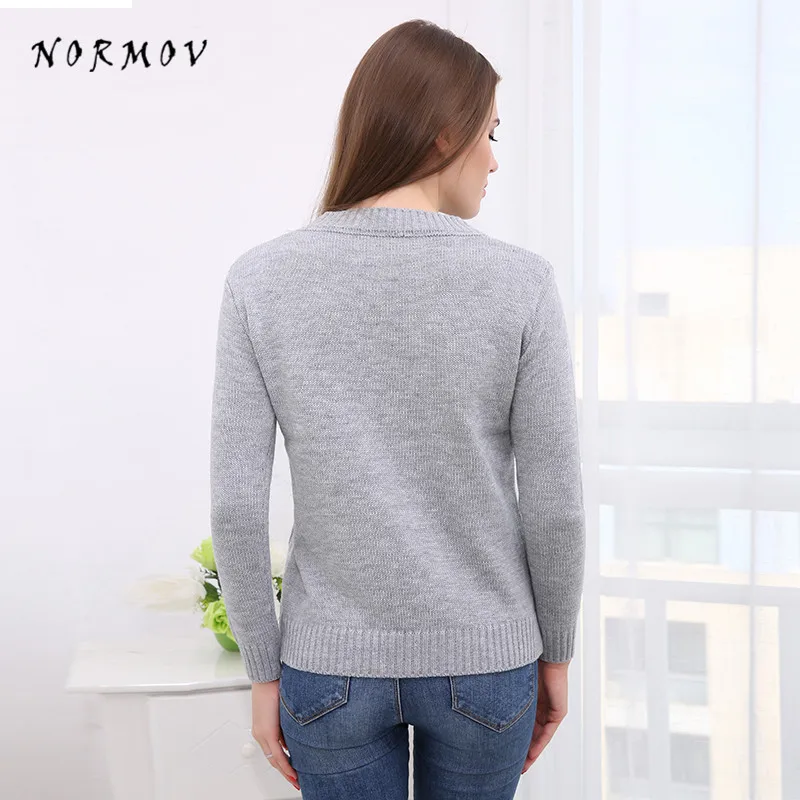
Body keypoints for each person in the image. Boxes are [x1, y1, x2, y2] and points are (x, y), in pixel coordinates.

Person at [210, 18, 586, 800]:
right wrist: (556, 653)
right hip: (488, 666)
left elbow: (236, 508)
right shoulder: (522, 284)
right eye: (489, 133)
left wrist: (262, 672)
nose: (494, 159)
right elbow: (556, 508)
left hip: (328, 669)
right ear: (442, 133)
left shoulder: (260, 280)